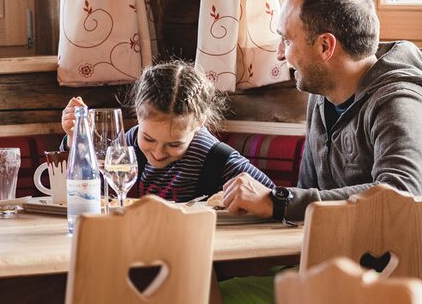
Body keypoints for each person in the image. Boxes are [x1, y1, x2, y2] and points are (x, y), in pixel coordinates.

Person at [220, 0, 422, 304]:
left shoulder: (403, 102)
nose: (282, 53)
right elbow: (309, 193)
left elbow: (398, 198)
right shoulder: (322, 99)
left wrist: (278, 201)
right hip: (345, 268)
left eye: (287, 40)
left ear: (325, 46)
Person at [60, 60, 274, 203]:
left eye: (174, 144)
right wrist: (75, 138)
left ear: (200, 122)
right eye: (149, 139)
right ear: (137, 113)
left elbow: (275, 201)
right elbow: (80, 190)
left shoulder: (218, 160)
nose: (159, 153)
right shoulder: (128, 144)